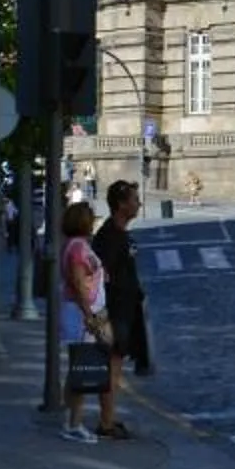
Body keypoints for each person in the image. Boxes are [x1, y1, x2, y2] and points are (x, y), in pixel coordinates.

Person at [92, 179, 148, 429]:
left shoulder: (119, 232)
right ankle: (106, 422)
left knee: (115, 366)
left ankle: (109, 418)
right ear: (121, 204)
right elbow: (102, 275)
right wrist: (104, 318)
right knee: (111, 367)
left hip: (125, 309)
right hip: (115, 311)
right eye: (135, 200)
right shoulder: (110, 236)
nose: (139, 203)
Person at [58, 198, 115, 444]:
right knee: (83, 368)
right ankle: (74, 423)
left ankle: (70, 417)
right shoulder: (78, 248)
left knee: (78, 369)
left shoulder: (76, 245)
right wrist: (90, 316)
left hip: (84, 309)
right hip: (82, 312)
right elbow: (80, 283)